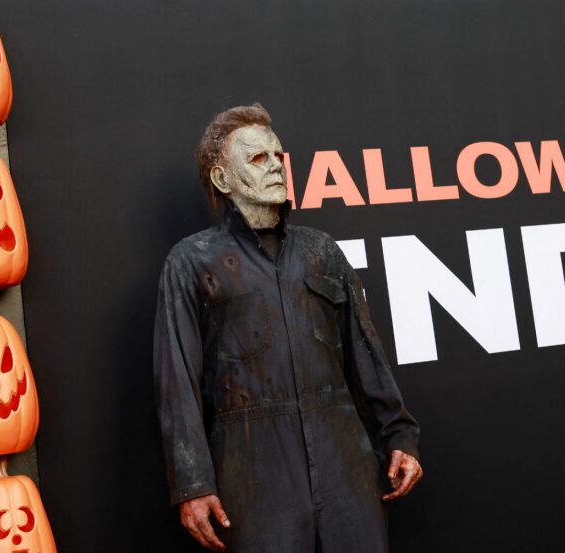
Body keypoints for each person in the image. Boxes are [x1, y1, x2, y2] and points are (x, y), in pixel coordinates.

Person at [153, 103, 422, 552]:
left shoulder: (321, 251)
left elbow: (365, 352)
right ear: (223, 180)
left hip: (345, 462)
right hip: (253, 467)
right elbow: (175, 381)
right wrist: (192, 484)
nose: (277, 166)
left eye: (278, 157)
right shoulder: (191, 261)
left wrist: (400, 435)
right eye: (259, 159)